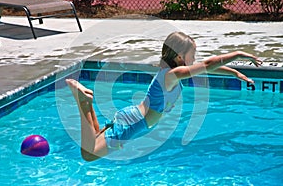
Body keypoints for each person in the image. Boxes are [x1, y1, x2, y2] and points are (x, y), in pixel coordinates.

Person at [66, 32, 262, 162]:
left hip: (133, 117)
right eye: (192, 55)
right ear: (179, 56)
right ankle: (83, 101)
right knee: (89, 154)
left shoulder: (169, 72)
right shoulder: (171, 75)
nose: (194, 59)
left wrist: (235, 73)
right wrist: (238, 54)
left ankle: (87, 100)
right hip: (135, 123)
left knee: (95, 138)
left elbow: (207, 68)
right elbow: (209, 64)